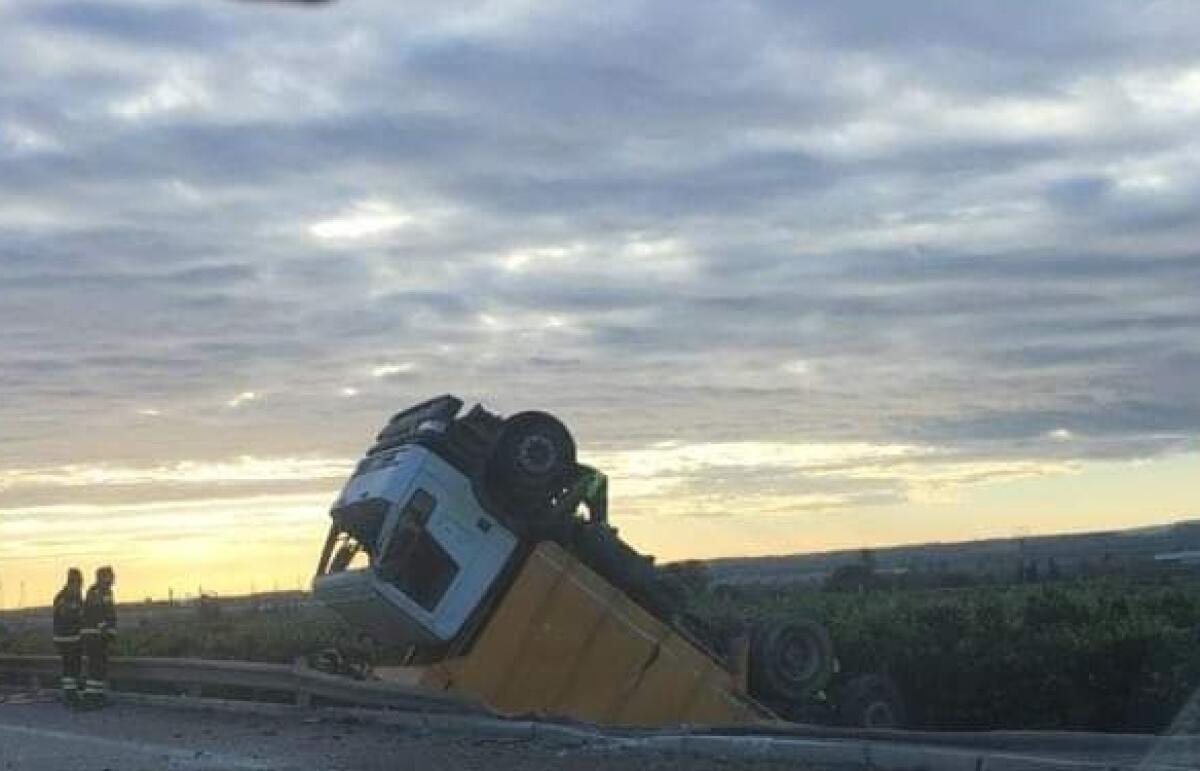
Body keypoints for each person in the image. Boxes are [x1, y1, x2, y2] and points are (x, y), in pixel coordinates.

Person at [80, 565, 117, 708]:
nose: (113, 578)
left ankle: (97, 695)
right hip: (94, 635)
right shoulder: (96, 592)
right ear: (102, 577)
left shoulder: (105, 591)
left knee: (99, 667)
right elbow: (97, 612)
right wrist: (104, 629)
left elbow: (108, 613)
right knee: (95, 667)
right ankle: (92, 697)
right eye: (110, 575)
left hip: (98, 635)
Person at [51, 568, 84, 706]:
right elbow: (69, 616)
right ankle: (70, 695)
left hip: (72, 637)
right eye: (78, 582)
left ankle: (72, 692)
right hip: (67, 638)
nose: (79, 586)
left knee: (73, 666)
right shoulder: (63, 597)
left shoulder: (71, 596)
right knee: (70, 667)